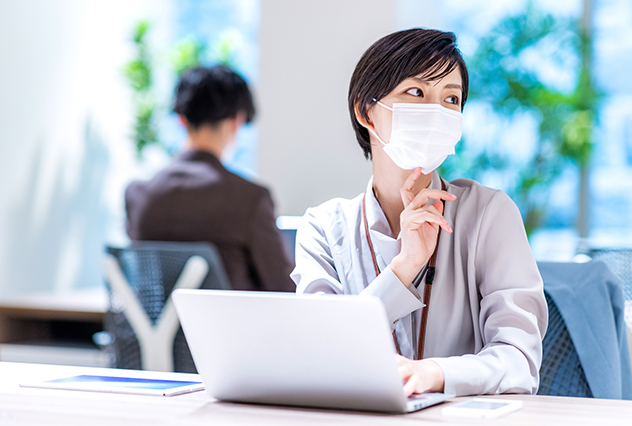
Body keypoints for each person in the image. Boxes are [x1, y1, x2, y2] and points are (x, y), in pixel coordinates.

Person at [291, 29, 548, 397]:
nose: (436, 111)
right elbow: (319, 353)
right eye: (416, 92)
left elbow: (519, 361)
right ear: (365, 111)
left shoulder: (489, 214)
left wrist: (433, 374)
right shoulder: (323, 228)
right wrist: (404, 267)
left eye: (451, 99)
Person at [126, 65, 295, 292]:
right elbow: (284, 288)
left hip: (157, 317)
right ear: (237, 121)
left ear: (181, 119)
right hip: (228, 317)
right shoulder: (250, 199)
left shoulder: (138, 195)